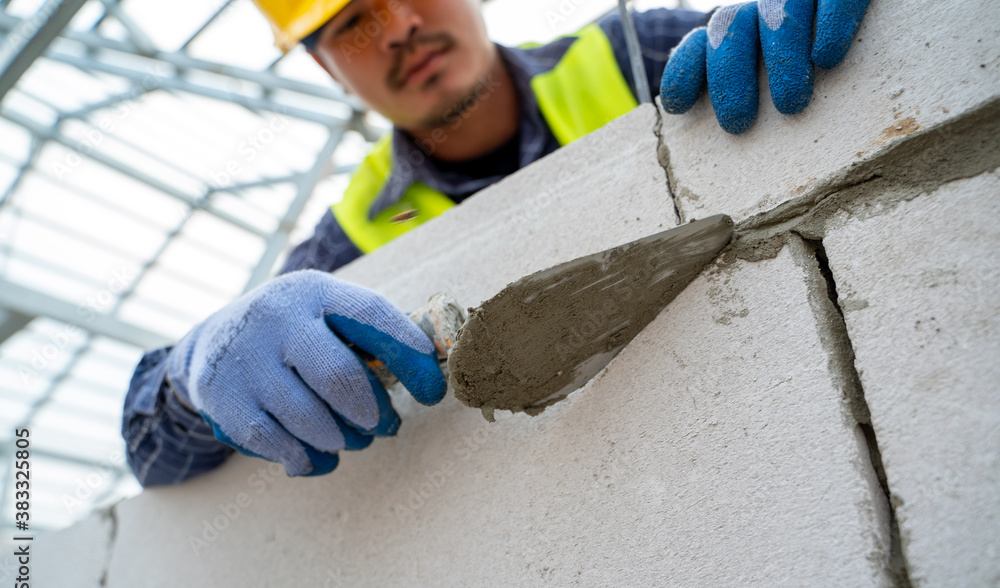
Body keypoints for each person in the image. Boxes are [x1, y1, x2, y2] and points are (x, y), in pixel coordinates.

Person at [122, 0, 869, 484]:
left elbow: (798, 38)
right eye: (354, 19)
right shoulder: (347, 238)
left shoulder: (632, 53)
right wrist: (193, 372)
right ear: (323, 62)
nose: (400, 26)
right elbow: (148, 449)